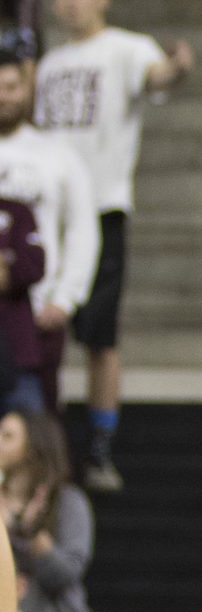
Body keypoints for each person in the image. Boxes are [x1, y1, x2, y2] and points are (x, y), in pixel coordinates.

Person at [33, 0, 191, 493]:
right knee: (38, 330)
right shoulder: (51, 64)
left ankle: (99, 448)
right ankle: (41, 445)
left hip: (101, 208)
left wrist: (178, 67)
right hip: (48, 213)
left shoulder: (126, 48)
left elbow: (157, 77)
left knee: (100, 335)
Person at [0, 52, 98, 407]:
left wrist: (65, 297)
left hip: (36, 311)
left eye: (11, 87)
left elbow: (82, 229)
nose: (3, 96)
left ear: (26, 89)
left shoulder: (57, 154)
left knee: (39, 424)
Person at [0, 408, 91, 612]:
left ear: (33, 445)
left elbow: (66, 573)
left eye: (8, 436)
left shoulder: (68, 502)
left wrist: (28, 531)